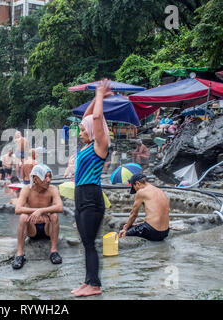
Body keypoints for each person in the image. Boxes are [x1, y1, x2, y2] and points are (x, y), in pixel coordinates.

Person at [71, 79, 112, 297]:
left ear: (90, 131)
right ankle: (88, 281)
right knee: (86, 242)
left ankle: (94, 285)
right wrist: (98, 98)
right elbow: (88, 117)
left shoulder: (100, 144)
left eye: (81, 130)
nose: (79, 131)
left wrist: (99, 94)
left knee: (89, 243)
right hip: (81, 196)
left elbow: (95, 118)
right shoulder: (88, 145)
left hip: (90, 196)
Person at [12, 164, 64, 270]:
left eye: (50, 176)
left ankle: (53, 251)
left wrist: (42, 211)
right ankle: (19, 254)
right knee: (22, 217)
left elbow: (60, 207)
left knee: (54, 216)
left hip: (47, 229)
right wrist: (36, 212)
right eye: (45, 177)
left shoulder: (53, 189)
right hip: (32, 229)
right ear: (35, 179)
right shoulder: (27, 189)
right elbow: (17, 209)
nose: (49, 180)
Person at [119, 173, 170, 241]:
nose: (136, 191)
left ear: (138, 183)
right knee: (133, 226)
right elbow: (157, 217)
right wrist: (137, 224)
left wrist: (125, 229)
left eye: (135, 188)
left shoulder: (141, 192)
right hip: (165, 232)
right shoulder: (160, 191)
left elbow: (133, 214)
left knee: (124, 234)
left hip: (153, 232)